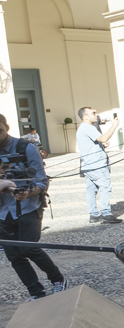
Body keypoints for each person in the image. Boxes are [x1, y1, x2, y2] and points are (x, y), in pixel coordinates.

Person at [0, 114, 65, 300]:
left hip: (28, 207)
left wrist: (28, 193)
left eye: (0, 131)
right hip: (3, 212)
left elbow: (42, 181)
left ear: (8, 127)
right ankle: (36, 293)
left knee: (28, 248)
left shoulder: (26, 148)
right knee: (14, 256)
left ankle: (58, 279)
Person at [75, 106, 121, 224]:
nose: (96, 114)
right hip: (96, 164)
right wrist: (113, 127)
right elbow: (103, 137)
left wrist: (101, 145)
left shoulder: (83, 128)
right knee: (106, 187)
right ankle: (106, 213)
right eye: (93, 113)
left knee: (91, 189)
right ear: (85, 116)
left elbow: (95, 142)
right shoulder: (88, 128)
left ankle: (94, 214)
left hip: (88, 164)